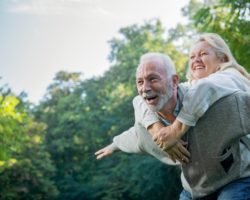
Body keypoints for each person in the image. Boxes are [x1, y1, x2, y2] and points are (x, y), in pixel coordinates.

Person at [95, 33, 250, 199]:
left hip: (236, 178)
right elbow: (138, 123)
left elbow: (207, 88)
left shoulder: (231, 81)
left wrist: (174, 131)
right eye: (191, 56)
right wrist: (155, 131)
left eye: (203, 54)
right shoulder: (183, 90)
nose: (196, 59)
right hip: (196, 189)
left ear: (222, 59)